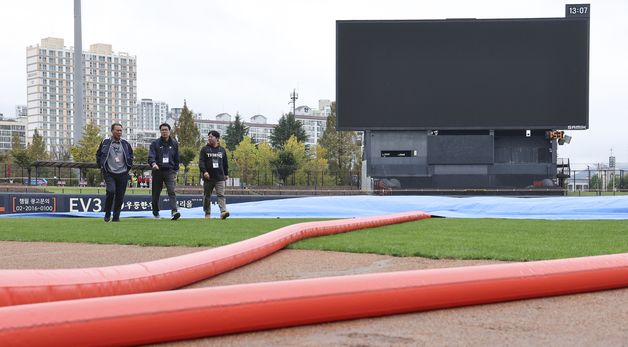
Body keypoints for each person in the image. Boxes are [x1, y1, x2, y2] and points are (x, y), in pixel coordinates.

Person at [96, 123, 134, 222]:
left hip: (123, 173)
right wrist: (101, 165)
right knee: (111, 191)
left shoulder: (125, 143)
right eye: (117, 130)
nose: (119, 132)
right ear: (112, 131)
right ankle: (107, 213)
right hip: (109, 172)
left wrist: (128, 166)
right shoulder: (105, 142)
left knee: (120, 196)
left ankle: (116, 216)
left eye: (121, 130)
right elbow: (98, 154)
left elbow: (130, 155)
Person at [148, 123, 181, 220]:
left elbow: (176, 158)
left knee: (172, 191)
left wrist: (175, 170)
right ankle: (155, 211)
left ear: (169, 131)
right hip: (157, 170)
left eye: (166, 130)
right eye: (162, 130)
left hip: (169, 171)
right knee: (156, 193)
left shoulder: (174, 143)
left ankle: (174, 211)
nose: (164, 132)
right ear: (160, 131)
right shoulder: (155, 144)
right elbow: (151, 156)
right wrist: (153, 163)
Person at [199, 130, 229, 219]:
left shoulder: (222, 150)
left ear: (217, 138)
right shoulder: (204, 149)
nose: (209, 138)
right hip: (208, 177)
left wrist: (226, 174)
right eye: (208, 136)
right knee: (207, 196)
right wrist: (204, 172)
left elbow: (225, 163)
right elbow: (201, 162)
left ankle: (223, 212)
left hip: (220, 177)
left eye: (211, 136)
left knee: (221, 195)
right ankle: (207, 213)